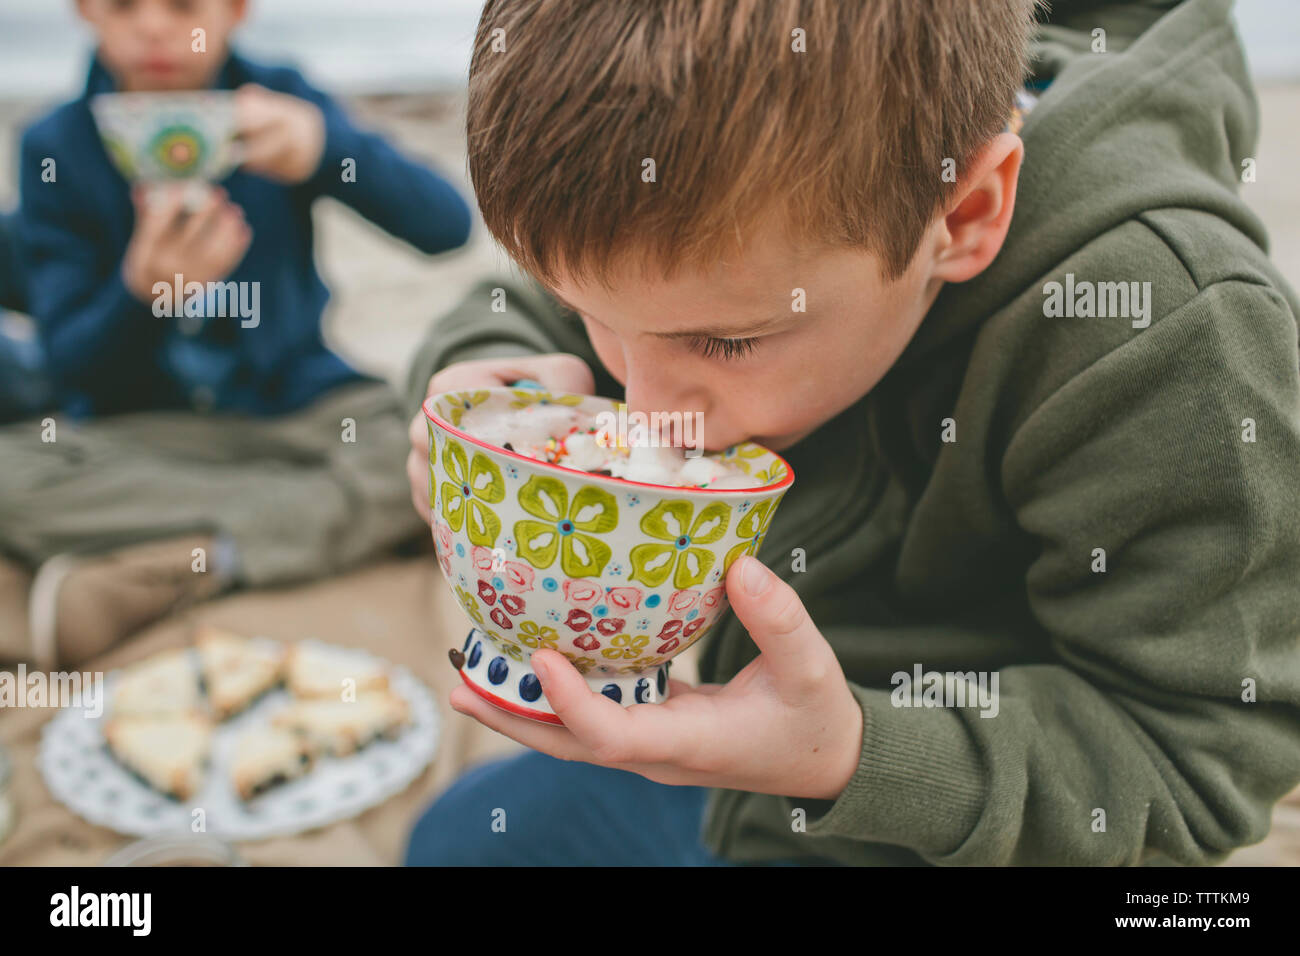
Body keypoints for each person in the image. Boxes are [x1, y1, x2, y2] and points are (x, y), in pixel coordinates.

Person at [403, 0, 1300, 866]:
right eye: (584, 310)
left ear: (965, 216)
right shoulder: (692, 239)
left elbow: (1197, 766)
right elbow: (518, 313)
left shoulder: (1168, 329)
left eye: (725, 341)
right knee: (458, 840)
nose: (645, 412)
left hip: (966, 812)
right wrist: (496, 376)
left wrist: (851, 754)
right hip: (738, 766)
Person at [0, 0, 472, 668]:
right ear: (85, 10)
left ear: (235, 10)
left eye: (185, 5)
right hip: (146, 433)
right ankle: (274, 536)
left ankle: (194, 554)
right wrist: (142, 295)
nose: (156, 26)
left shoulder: (281, 102)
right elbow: (74, 368)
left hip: (302, 410)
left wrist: (327, 149)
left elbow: (447, 228)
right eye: (125, 5)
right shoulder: (56, 145)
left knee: (437, 449)